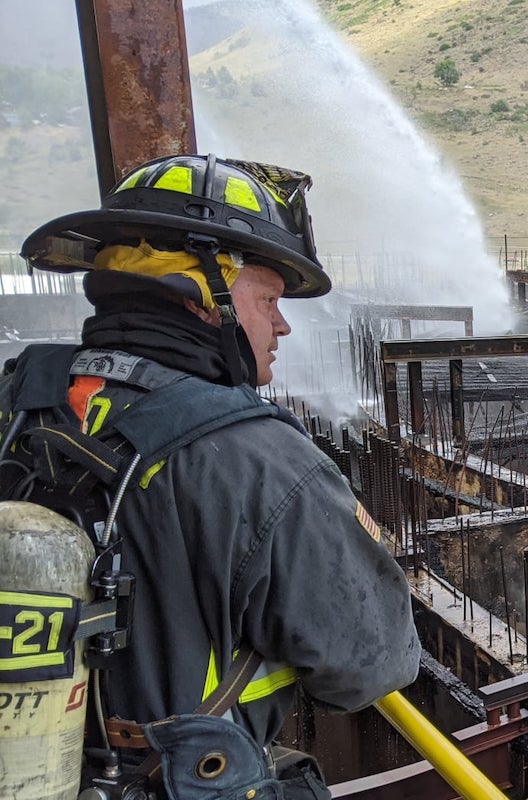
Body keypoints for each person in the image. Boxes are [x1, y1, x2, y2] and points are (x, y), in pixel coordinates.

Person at [0, 154, 421, 798]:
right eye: (269, 299)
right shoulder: (263, 459)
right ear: (203, 295)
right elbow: (370, 665)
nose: (281, 324)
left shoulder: (16, 404)